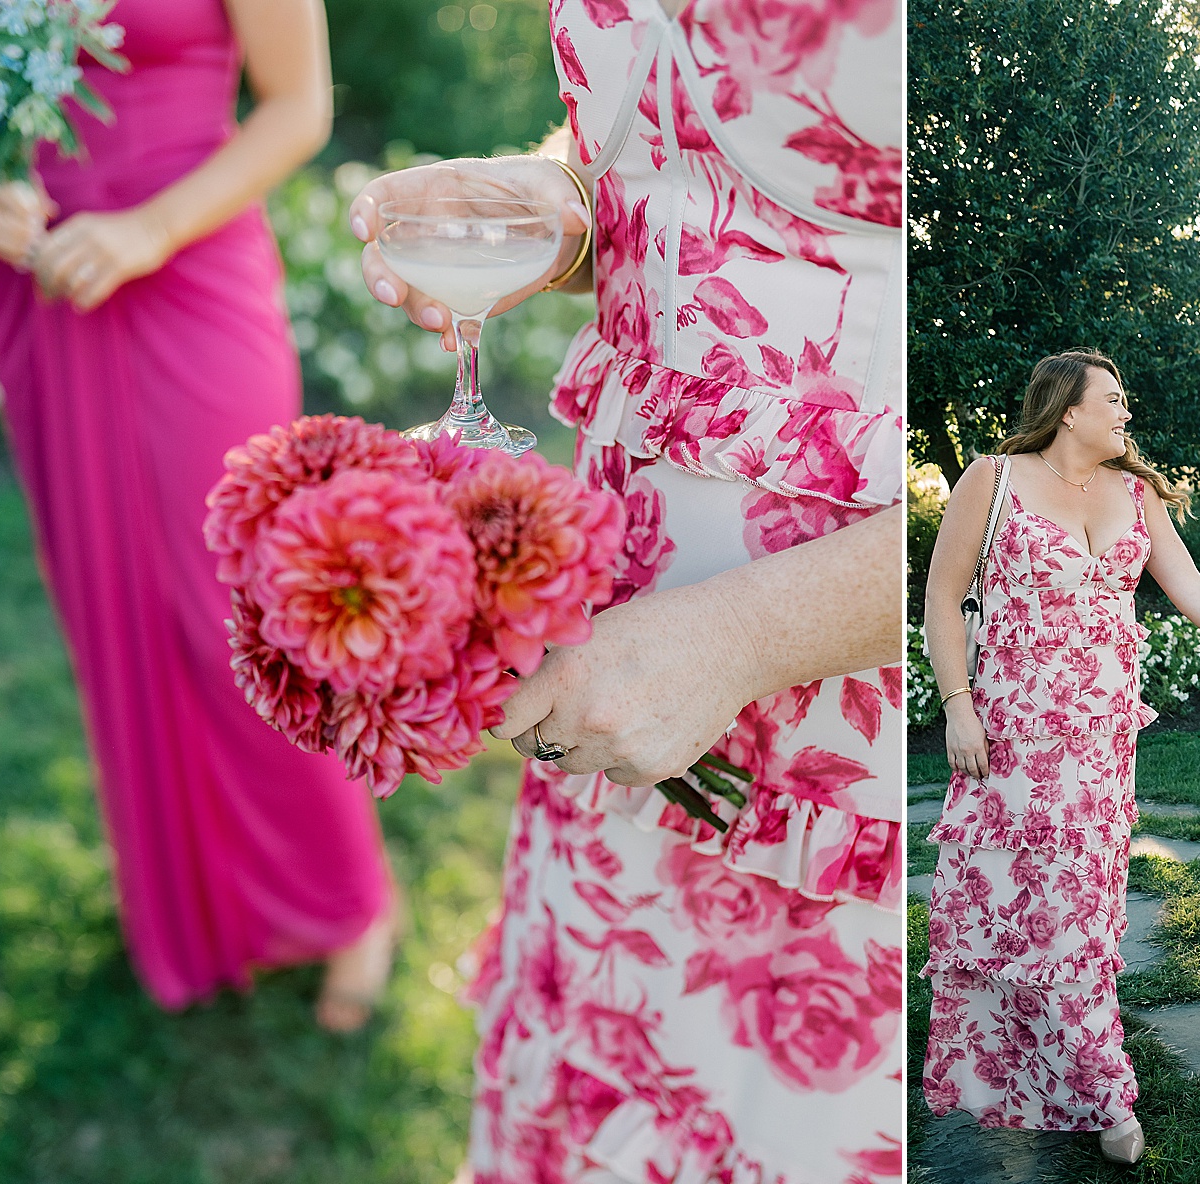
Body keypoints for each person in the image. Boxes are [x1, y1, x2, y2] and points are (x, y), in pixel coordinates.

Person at [349, 1, 905, 1178]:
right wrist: (561, 205)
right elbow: (688, 175)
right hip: (612, 663)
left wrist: (751, 632)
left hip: (834, 735)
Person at [0, 0, 395, 1029]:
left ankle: (350, 898)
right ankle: (186, 896)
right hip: (45, 294)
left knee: (238, 616)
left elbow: (298, 106)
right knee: (110, 603)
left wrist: (149, 227)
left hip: (190, 265)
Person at [916, 350, 1200, 1164]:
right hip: (1013, 732)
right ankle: (1099, 1091)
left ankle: (1078, 1075)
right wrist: (958, 708)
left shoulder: (1136, 493)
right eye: (1115, 400)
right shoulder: (991, 480)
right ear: (1068, 409)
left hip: (1099, 741)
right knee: (1023, 911)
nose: (1127, 414)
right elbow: (942, 600)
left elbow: (1191, 589)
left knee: (1082, 913)